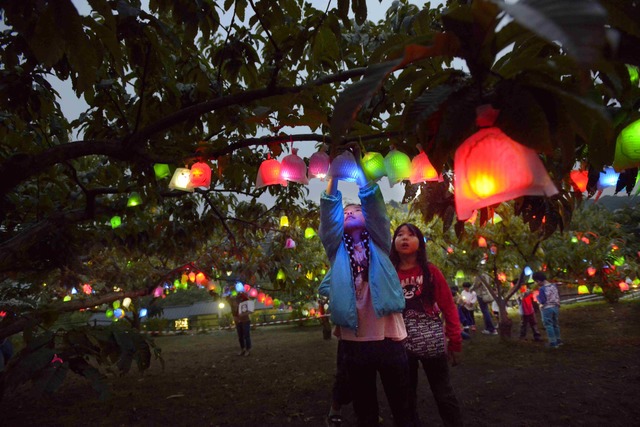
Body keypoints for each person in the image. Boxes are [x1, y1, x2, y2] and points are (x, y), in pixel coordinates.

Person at [317, 144, 416, 427]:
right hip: (353, 338)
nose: (349, 212)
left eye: (355, 210)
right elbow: (328, 218)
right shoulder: (336, 250)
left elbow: (375, 208)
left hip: (387, 336)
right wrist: (334, 176)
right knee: (365, 408)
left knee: (401, 402)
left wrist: (359, 172)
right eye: (345, 211)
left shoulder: (381, 243)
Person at [390, 223, 464, 427]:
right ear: (393, 242)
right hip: (400, 344)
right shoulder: (389, 273)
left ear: (420, 243)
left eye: (411, 235)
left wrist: (455, 341)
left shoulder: (431, 271)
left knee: (443, 393)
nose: (405, 238)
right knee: (406, 396)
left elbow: (449, 307)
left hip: (432, 342)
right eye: (400, 235)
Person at [532, 272, 562, 348]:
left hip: (547, 308)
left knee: (549, 325)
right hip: (555, 307)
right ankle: (558, 340)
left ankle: (553, 342)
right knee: (555, 324)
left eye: (536, 281)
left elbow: (542, 301)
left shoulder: (542, 289)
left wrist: (537, 297)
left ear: (538, 281)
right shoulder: (553, 286)